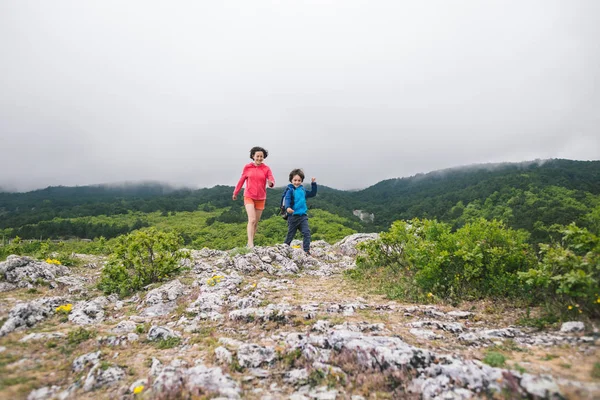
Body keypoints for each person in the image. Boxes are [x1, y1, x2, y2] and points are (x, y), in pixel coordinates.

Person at [232, 146, 275, 248]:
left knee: (255, 222)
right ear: (253, 156)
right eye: (257, 156)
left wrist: (271, 183)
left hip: (261, 198)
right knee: (251, 219)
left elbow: (271, 179)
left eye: (261, 156)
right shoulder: (247, 167)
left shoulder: (266, 168)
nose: (259, 158)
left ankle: (249, 242)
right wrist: (235, 192)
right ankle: (251, 244)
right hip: (249, 196)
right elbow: (241, 180)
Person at [283, 168, 317, 254]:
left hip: (303, 216)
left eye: (299, 180)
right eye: (295, 180)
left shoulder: (303, 190)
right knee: (290, 234)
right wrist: (287, 208)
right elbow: (287, 199)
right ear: (291, 180)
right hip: (293, 216)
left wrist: (313, 184)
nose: (297, 182)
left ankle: (306, 250)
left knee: (307, 233)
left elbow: (313, 194)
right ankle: (284, 248)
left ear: (301, 181)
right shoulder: (290, 190)